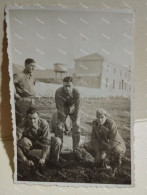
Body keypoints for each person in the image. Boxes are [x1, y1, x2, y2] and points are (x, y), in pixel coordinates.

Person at [54, 76, 81, 155]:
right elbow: (60, 108)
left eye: (69, 86)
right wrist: (64, 123)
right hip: (63, 109)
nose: (67, 88)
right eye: (65, 86)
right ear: (63, 85)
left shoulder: (77, 93)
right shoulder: (58, 92)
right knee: (59, 127)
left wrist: (77, 121)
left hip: (73, 109)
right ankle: (58, 149)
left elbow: (78, 108)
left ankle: (76, 149)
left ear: (73, 86)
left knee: (76, 126)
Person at [14, 58, 36, 125]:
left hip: (32, 101)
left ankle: (28, 135)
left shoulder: (32, 77)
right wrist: (15, 94)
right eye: (31, 66)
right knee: (22, 120)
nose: (33, 68)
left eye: (34, 66)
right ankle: (19, 135)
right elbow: (9, 84)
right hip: (22, 100)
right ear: (25, 65)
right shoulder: (19, 75)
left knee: (32, 119)